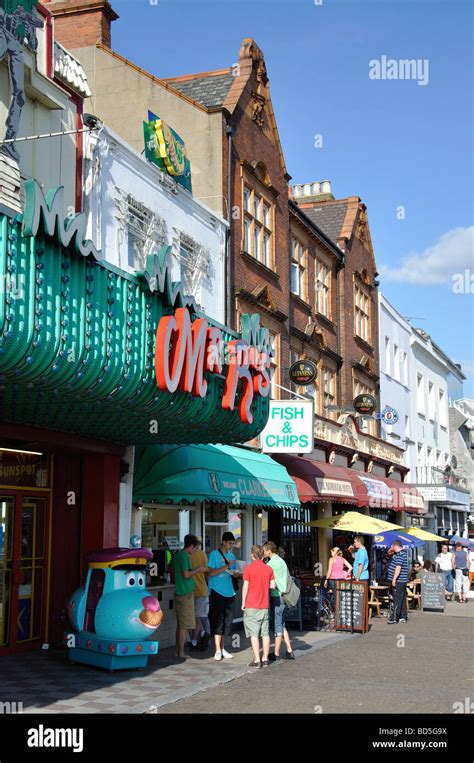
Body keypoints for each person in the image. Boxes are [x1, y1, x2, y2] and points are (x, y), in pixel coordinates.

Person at [173, 534, 207, 660]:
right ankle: (181, 652)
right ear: (191, 546)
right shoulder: (184, 556)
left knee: (181, 624)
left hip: (182, 592)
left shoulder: (179, 555)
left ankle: (178, 650)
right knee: (184, 626)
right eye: (196, 548)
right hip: (184, 594)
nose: (196, 551)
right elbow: (186, 574)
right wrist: (197, 569)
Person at [241, 545, 275, 668]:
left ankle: (257, 660)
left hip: (251, 604)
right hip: (264, 605)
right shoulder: (268, 569)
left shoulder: (248, 569)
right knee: (265, 633)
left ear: (252, 555)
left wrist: (243, 602)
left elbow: (245, 587)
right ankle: (265, 659)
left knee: (254, 634)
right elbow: (273, 585)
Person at [208, 532, 239, 660]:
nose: (231, 546)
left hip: (229, 591)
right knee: (218, 621)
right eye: (230, 543)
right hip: (217, 591)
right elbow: (211, 572)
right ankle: (217, 650)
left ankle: (223, 648)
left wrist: (236, 573)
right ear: (224, 542)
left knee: (227, 622)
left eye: (233, 543)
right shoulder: (214, 554)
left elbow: (234, 572)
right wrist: (227, 566)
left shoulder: (231, 555)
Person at [263, 541, 295, 661]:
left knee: (277, 624)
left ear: (269, 551)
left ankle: (276, 653)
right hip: (284, 595)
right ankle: (289, 650)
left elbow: (264, 575)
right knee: (281, 623)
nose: (264, 552)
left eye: (264, 550)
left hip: (277, 595)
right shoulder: (281, 561)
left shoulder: (271, 563)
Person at [190, 538, 211, 651]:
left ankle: (198, 638)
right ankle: (203, 635)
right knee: (200, 616)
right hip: (201, 589)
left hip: (191, 590)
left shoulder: (186, 555)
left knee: (198, 616)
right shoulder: (202, 554)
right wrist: (207, 587)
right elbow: (207, 572)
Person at [387, 540, 409, 624]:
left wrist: (394, 579)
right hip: (402, 580)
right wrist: (391, 551)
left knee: (397, 599)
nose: (392, 548)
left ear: (396, 546)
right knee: (402, 599)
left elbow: (398, 568)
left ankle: (394, 618)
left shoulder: (400, 555)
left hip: (399, 580)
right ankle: (403, 617)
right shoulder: (402, 553)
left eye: (393, 546)